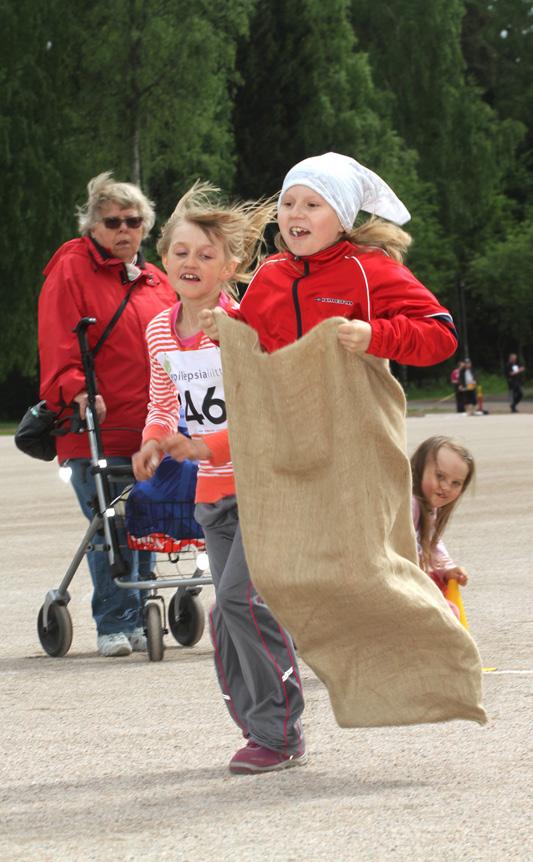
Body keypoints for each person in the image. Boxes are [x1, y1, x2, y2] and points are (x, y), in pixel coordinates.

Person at [132, 183, 306, 775]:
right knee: (230, 611)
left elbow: (260, 415)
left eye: (206, 255)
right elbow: (164, 399)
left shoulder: (239, 324)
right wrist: (153, 441)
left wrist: (201, 443)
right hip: (212, 492)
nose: (191, 263)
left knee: (238, 599)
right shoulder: (159, 328)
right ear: (163, 261)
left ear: (231, 267)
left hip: (262, 484)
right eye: (180, 252)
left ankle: (279, 733)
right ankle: (262, 723)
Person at [38, 172, 175, 657]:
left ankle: (142, 613)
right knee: (111, 524)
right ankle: (115, 622)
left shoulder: (156, 278)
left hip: (151, 429)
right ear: (92, 225)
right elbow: (57, 339)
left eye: (133, 221)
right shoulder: (70, 269)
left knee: (146, 520)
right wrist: (75, 389)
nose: (124, 230)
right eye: (112, 221)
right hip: (93, 428)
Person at [199, 151, 457, 368]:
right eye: (287, 203)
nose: (296, 213)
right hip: (283, 422)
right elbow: (255, 340)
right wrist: (227, 328)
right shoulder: (270, 271)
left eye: (312, 205)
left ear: (342, 220)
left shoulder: (371, 269)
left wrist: (375, 336)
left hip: (352, 424)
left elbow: (441, 335)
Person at [410, 436, 475, 619]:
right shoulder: (411, 504)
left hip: (411, 576)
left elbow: (432, 543)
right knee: (448, 613)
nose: (446, 487)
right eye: (440, 476)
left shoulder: (429, 509)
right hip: (398, 578)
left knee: (439, 584)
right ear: (419, 468)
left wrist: (446, 570)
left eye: (456, 483)